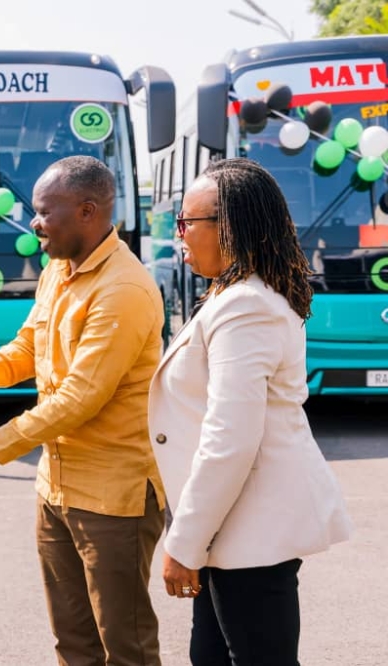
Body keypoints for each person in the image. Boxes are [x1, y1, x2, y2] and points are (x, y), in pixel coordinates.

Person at [0, 155, 167, 666]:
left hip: (113, 498)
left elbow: (80, 398)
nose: (33, 223)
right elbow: (30, 346)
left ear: (87, 211)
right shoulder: (59, 269)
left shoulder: (122, 290)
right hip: (55, 488)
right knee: (73, 644)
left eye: (44, 212)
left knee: (125, 648)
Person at [148, 157, 352, 666]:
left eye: (187, 223)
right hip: (233, 528)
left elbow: (230, 438)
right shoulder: (233, 295)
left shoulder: (245, 306)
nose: (180, 236)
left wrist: (185, 543)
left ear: (230, 228)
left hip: (250, 532)